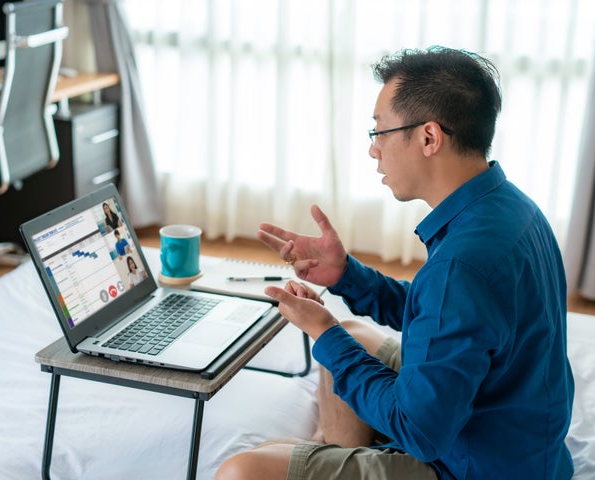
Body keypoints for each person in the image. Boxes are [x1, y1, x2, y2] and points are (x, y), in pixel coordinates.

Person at [215, 46, 574, 480]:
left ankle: (334, 456)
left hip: (475, 465)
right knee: (350, 336)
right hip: (517, 438)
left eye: (379, 131)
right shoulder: (512, 207)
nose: (373, 150)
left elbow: (419, 432)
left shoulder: (461, 264)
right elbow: (441, 317)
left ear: (428, 138)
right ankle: (338, 453)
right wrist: (347, 275)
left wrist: (322, 333)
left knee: (241, 471)